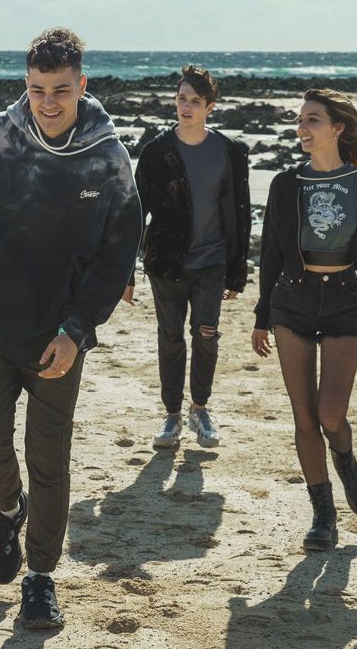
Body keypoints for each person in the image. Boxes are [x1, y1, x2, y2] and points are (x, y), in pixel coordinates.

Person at [0, 27, 141, 630]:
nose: (48, 102)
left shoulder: (108, 158)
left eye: (61, 90)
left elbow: (116, 256)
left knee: (49, 457)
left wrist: (76, 330)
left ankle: (41, 578)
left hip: (56, 340)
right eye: (39, 89)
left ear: (82, 85)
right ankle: (6, 508)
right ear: (26, 83)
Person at [251, 88, 357, 551]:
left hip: (344, 301)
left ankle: (346, 460)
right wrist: (261, 315)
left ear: (338, 128)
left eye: (312, 120)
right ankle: (323, 515)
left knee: (331, 414)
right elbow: (271, 252)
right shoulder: (286, 183)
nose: (302, 128)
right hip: (292, 300)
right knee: (303, 416)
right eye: (300, 120)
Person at [130, 65, 251, 450]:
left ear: (209, 107)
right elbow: (136, 213)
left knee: (206, 335)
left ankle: (200, 409)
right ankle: (171, 416)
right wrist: (126, 271)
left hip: (212, 262)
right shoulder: (156, 152)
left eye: (195, 101)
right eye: (182, 99)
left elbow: (241, 213)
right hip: (166, 263)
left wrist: (238, 272)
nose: (186, 107)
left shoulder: (230, 152)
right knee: (170, 339)